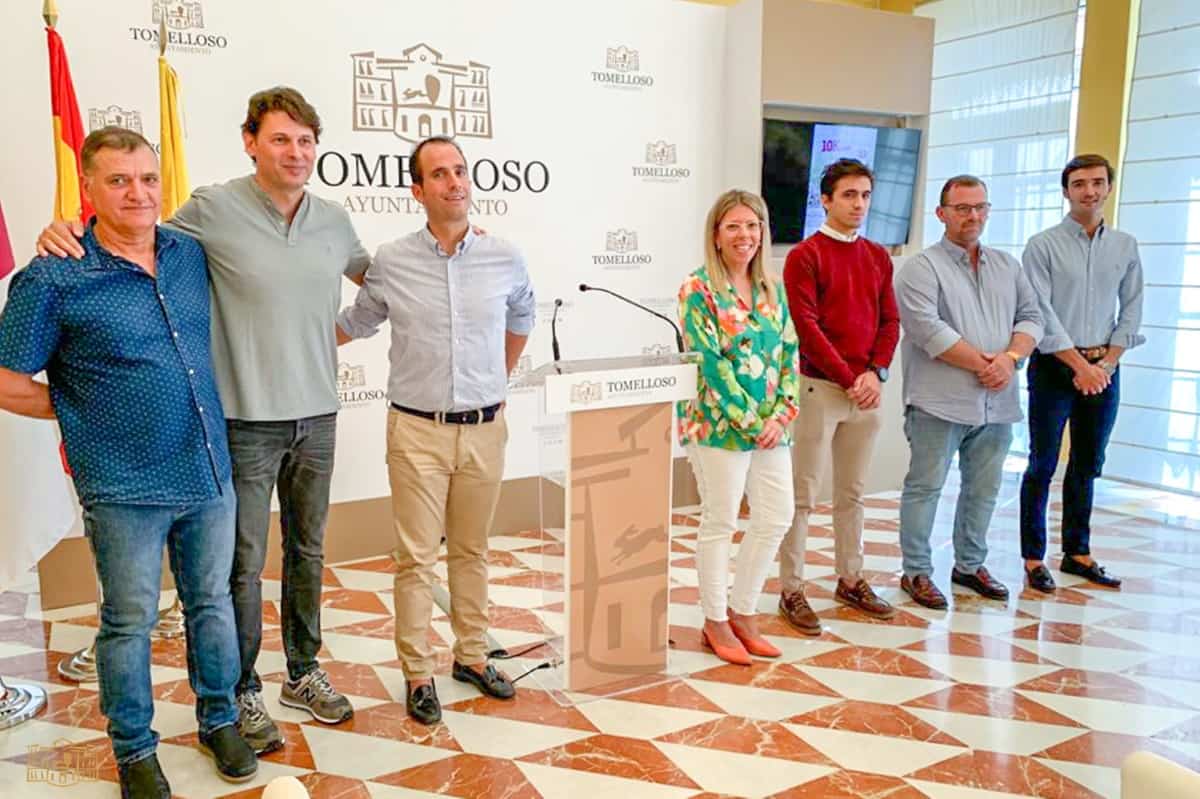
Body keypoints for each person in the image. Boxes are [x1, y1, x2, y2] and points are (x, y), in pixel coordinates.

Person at [36, 87, 369, 753]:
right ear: (251, 142)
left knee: (307, 550)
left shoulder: (333, 220)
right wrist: (67, 228)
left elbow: (379, 280)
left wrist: (338, 331)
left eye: (306, 141)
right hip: (241, 422)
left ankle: (302, 670)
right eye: (280, 139)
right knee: (238, 568)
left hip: (318, 418)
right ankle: (241, 692)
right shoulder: (212, 208)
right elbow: (135, 232)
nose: (295, 152)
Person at [0, 127, 256, 797]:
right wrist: (76, 406)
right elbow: (5, 379)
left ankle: (220, 719)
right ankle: (135, 750)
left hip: (207, 468)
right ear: (88, 187)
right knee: (128, 620)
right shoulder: (55, 275)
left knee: (211, 604)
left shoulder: (187, 253)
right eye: (118, 180)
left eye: (147, 178)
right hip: (123, 484)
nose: (137, 193)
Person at [336, 136, 535, 725]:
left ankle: (472, 655)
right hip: (416, 432)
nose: (455, 182)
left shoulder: (505, 257)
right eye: (440, 174)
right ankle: (418, 672)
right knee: (417, 559)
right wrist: (285, 339)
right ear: (418, 190)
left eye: (461, 171)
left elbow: (523, 316)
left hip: (485, 430)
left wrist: (496, 380)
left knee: (472, 551)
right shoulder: (392, 260)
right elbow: (357, 323)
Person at [894, 175, 1043, 608]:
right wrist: (987, 365)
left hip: (997, 405)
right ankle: (916, 571)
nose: (972, 215)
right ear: (941, 214)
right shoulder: (921, 268)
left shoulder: (1007, 266)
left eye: (980, 207)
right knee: (925, 487)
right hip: (938, 403)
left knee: (984, 490)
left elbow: (1033, 318)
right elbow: (928, 330)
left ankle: (970, 565)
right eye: (962, 208)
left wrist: (1010, 359)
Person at [777, 158, 901, 632]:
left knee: (853, 493)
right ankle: (792, 589)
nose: (859, 204)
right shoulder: (805, 255)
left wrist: (876, 373)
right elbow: (807, 328)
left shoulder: (877, 256)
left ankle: (851, 579)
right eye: (849, 195)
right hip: (820, 389)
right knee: (802, 495)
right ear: (825, 200)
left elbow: (890, 320)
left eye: (866, 195)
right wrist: (851, 378)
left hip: (866, 392)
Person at [678, 189, 799, 666]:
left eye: (752, 225)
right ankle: (715, 620)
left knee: (776, 516)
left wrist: (781, 414)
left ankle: (744, 612)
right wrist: (752, 421)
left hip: (772, 427)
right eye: (733, 226)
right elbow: (709, 363)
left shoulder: (772, 288)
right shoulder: (698, 288)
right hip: (718, 426)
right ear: (716, 234)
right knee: (721, 521)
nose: (744, 235)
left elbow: (789, 353)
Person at [1019, 154, 1144, 592]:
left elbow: (1132, 309)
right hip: (1054, 366)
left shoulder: (1125, 246)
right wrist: (1079, 366)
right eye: (1078, 184)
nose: (1088, 191)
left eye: (1096, 182)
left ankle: (1077, 552)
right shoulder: (1042, 245)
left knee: (1088, 462)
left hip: (1105, 368)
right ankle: (1034, 558)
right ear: (1066, 191)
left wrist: (1105, 365)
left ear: (1108, 187)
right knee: (1042, 462)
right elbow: (1040, 311)